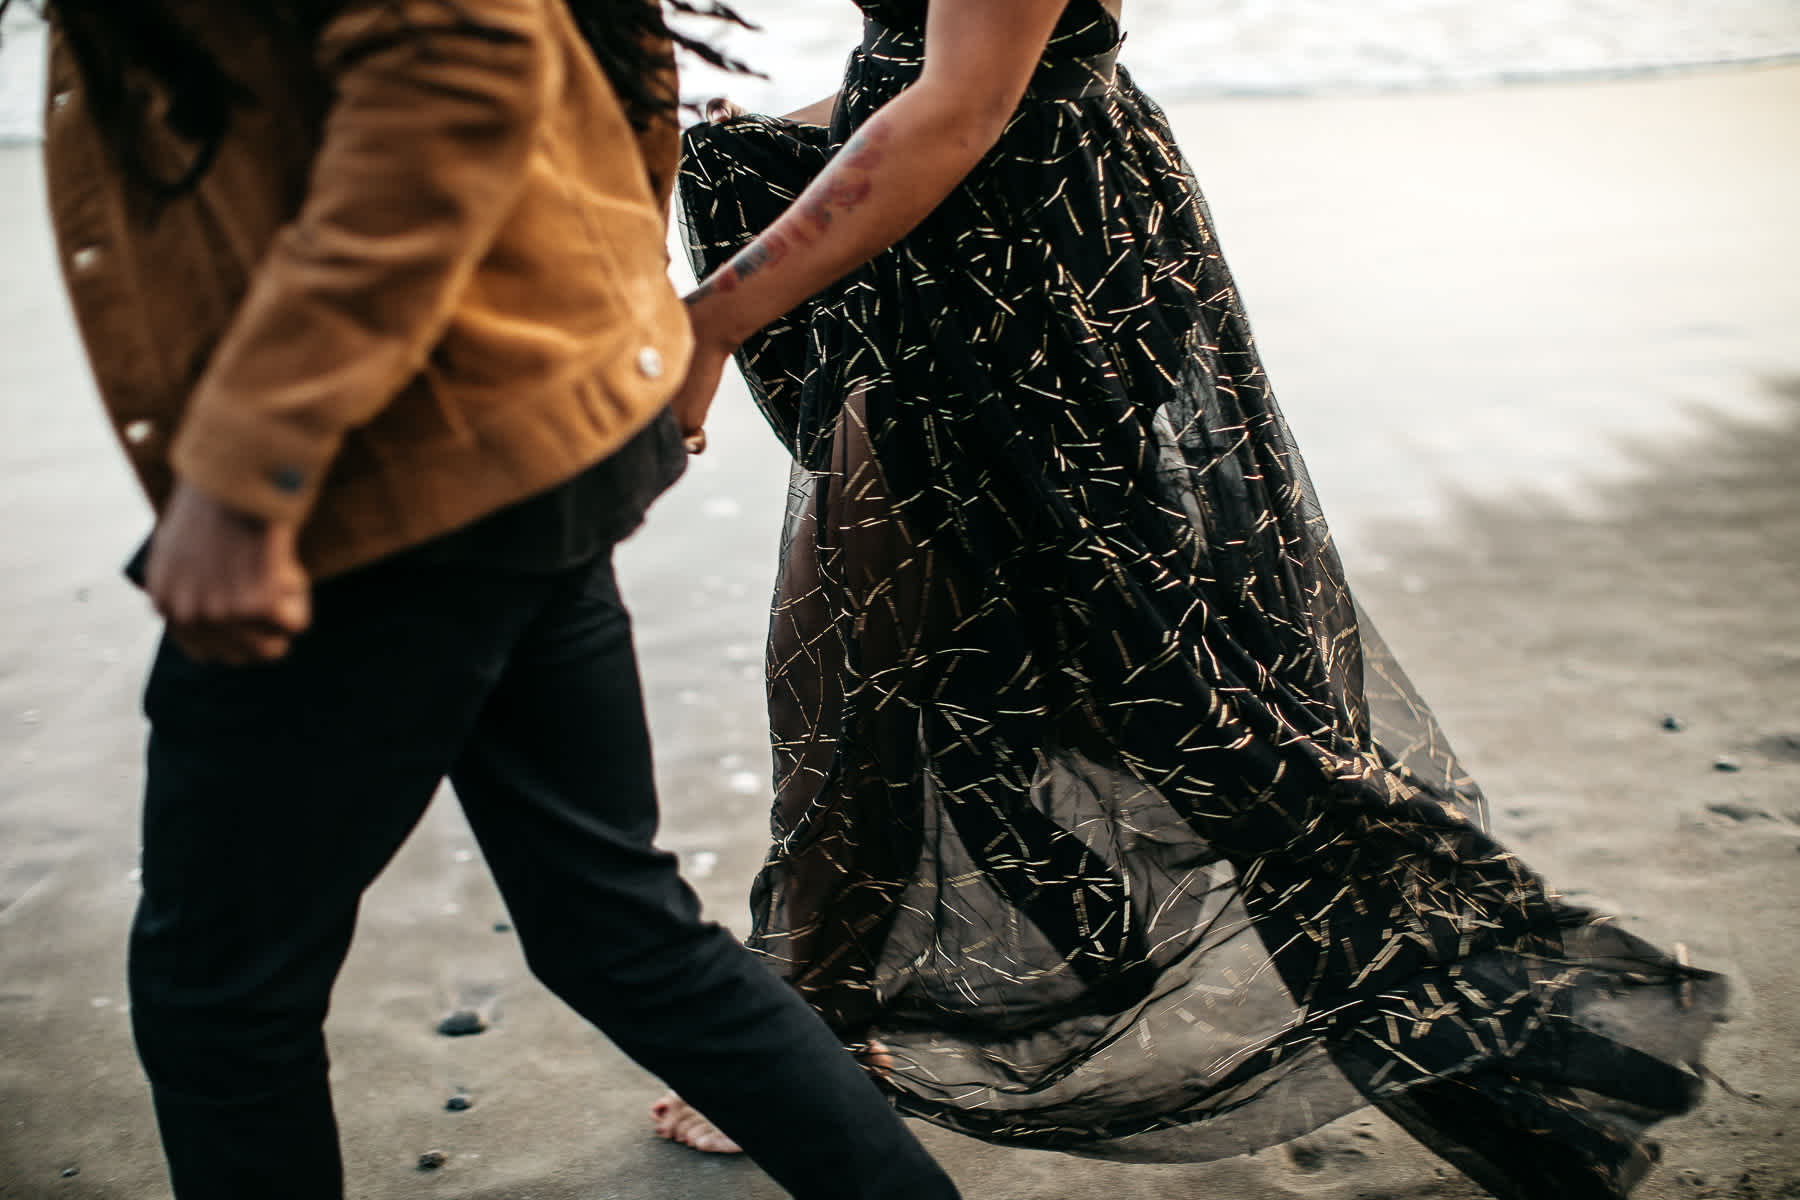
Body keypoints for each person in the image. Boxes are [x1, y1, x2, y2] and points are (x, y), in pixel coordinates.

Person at [657, 1, 1727, 1195]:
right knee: (880, 667)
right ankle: (816, 1021)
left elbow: (962, 107)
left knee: (1169, 699)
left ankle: (1513, 1014)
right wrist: (774, 134)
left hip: (1032, 297)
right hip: (971, 267)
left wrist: (718, 315)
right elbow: (957, 68)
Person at [24, 0, 964, 1196]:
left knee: (219, 994)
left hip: (390, 481)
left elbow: (464, 70)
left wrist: (245, 475)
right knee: (615, 930)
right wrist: (623, 327)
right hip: (517, 435)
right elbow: (604, 51)